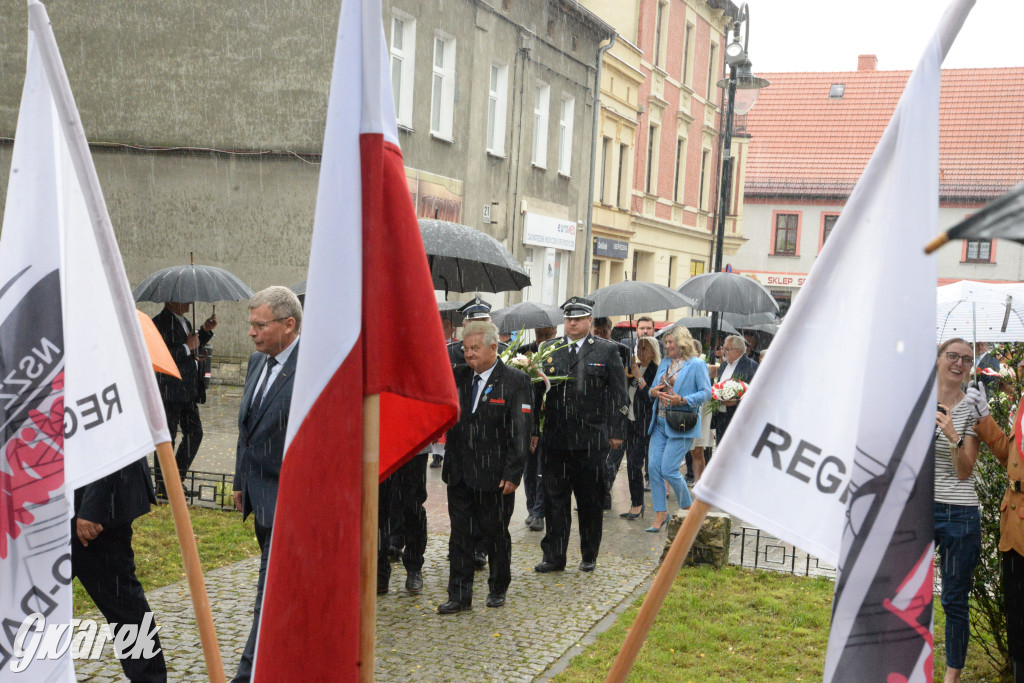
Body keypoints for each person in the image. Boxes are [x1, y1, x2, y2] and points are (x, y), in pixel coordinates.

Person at [231, 286, 302, 683]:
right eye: (251, 325)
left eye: (260, 325)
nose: (252, 333)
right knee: (283, 590)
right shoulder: (258, 363)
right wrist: (241, 479)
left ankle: (249, 673)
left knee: (269, 591)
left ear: (288, 325)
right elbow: (247, 429)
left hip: (292, 501)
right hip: (260, 498)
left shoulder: (312, 366)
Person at [438, 321, 531, 613]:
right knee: (460, 537)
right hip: (459, 472)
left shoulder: (515, 380)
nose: (468, 355)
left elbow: (521, 430)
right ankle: (459, 595)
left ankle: (498, 585)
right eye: (465, 349)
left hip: (495, 475)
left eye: (475, 349)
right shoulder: (459, 376)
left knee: (495, 534)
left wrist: (513, 473)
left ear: (493, 347)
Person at [533, 296, 628, 574]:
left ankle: (589, 553)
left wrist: (617, 430)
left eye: (578, 319)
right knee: (555, 501)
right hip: (556, 439)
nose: (572, 323)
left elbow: (619, 395)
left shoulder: (606, 351)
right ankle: (554, 556)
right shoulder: (549, 349)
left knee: (590, 501)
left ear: (589, 321)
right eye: (568, 319)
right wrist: (533, 431)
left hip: (591, 439)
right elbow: (537, 392)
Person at [72, 458, 167, 682]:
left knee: (123, 604)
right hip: (50, 502)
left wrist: (96, 506)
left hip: (90, 504)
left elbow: (111, 437)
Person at [964, 379, 1024, 683]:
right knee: (1017, 619)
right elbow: (1009, 458)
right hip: (1013, 530)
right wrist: (983, 416)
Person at [931, 338, 983, 683]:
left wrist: (952, 435)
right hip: (916, 508)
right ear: (938, 359)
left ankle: (951, 677)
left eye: (966, 359)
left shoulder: (972, 409)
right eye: (953, 356)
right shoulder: (917, 401)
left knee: (954, 599)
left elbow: (965, 470)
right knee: (905, 591)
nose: (959, 363)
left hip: (959, 514)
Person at [643, 326, 712, 532]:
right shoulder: (664, 363)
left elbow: (706, 393)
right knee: (654, 468)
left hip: (681, 423)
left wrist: (682, 399)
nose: (668, 346)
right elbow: (652, 390)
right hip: (660, 423)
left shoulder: (697, 364)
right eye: (666, 343)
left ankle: (688, 509)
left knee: (669, 469)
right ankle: (661, 514)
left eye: (671, 342)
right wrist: (653, 392)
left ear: (682, 342)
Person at [151, 301, 216, 497]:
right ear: (172, 300)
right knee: (166, 438)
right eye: (185, 298)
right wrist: (187, 347)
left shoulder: (185, 321)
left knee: (195, 433)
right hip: (169, 391)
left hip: (188, 392)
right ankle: (163, 487)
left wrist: (204, 331)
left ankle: (176, 481)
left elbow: (193, 345)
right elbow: (160, 356)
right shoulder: (159, 323)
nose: (190, 302)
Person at [377, 448, 429, 595]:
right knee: (377, 507)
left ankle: (414, 566)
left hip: (414, 443)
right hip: (379, 443)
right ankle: (379, 570)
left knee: (413, 507)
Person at [593, 316, 632, 510]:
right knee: (598, 458)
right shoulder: (590, 349)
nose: (600, 336)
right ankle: (600, 492)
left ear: (610, 331)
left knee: (612, 458)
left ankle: (604, 490)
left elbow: (624, 382)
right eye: (596, 332)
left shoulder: (622, 350)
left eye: (604, 332)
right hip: (597, 407)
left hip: (614, 405)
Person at [521, 324, 558, 531]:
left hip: (550, 418)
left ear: (554, 333)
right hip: (529, 418)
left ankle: (539, 511)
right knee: (530, 468)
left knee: (545, 469)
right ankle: (530, 506)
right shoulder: (524, 351)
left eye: (546, 335)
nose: (541, 339)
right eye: (538, 335)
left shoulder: (557, 351)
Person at [620, 335, 660, 519]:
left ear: (652, 352)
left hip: (646, 424)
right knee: (631, 465)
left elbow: (650, 398)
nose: (640, 352)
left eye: (644, 348)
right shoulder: (633, 369)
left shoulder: (655, 371)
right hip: (631, 422)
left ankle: (638, 504)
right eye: (639, 348)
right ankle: (635, 503)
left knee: (636, 464)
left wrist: (639, 376)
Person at [711, 334, 758, 444]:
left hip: (738, 417)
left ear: (737, 351)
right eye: (724, 348)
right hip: (721, 417)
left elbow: (756, 394)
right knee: (721, 450)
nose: (724, 352)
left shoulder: (751, 366)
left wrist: (735, 403)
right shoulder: (723, 366)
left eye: (727, 349)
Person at [687, 339, 715, 484]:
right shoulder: (681, 365)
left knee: (698, 450)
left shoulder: (702, 365)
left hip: (702, 410)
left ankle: (699, 483)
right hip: (687, 410)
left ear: (698, 352)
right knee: (691, 450)